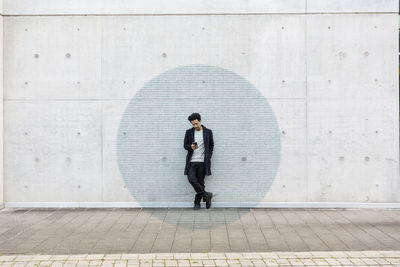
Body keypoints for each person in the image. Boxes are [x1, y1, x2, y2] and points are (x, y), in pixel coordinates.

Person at [183, 113, 214, 210]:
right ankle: (207, 195)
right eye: (193, 124)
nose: (195, 126)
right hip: (192, 161)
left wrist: (208, 157)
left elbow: (211, 145)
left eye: (196, 123)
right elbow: (185, 145)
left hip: (202, 162)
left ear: (200, 121)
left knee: (200, 182)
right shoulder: (189, 132)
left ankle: (197, 203)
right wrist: (191, 147)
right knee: (191, 179)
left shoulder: (208, 132)